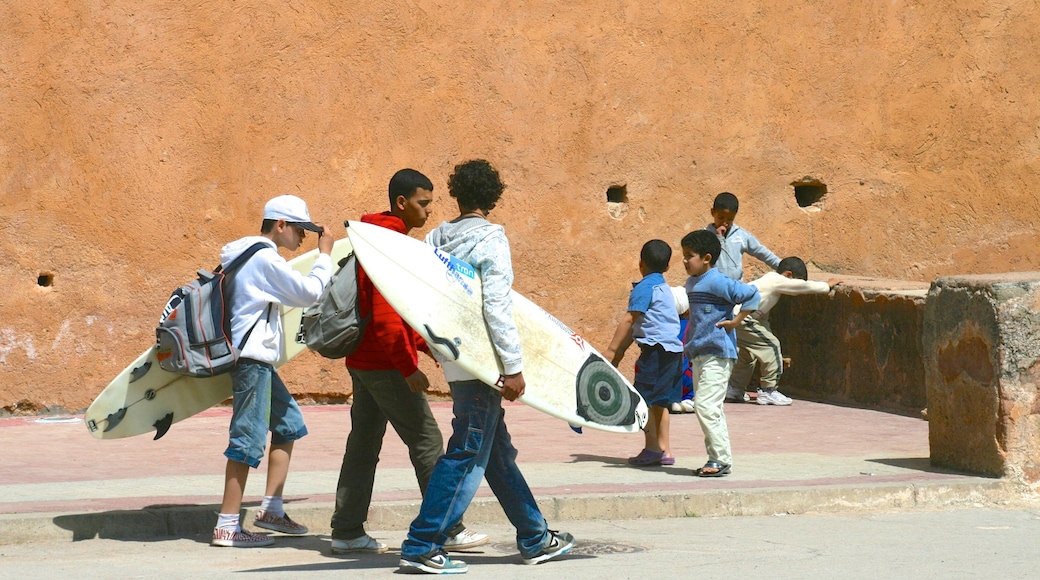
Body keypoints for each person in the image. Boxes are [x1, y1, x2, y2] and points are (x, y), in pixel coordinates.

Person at [399, 159, 574, 574]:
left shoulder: (437, 237)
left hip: (458, 359)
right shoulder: (491, 238)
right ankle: (422, 543)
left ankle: (534, 536)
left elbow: (426, 299)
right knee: (465, 452)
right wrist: (512, 367)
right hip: (486, 365)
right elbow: (496, 306)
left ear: (457, 193)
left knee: (495, 453)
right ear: (493, 197)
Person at [330, 169, 487, 554]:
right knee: (428, 442)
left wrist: (424, 344)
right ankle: (447, 527)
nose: (429, 211)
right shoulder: (390, 245)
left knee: (363, 445)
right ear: (402, 203)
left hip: (363, 361)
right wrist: (408, 368)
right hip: (384, 365)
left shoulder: (372, 237)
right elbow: (385, 321)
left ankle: (347, 531)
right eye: (423, 203)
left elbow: (392, 314)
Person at [212, 194, 334, 547]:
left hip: (257, 361)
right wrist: (325, 254)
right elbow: (309, 292)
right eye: (300, 230)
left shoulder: (247, 255)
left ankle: (271, 511)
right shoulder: (265, 259)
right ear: (280, 225)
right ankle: (227, 526)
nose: (303, 239)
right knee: (246, 441)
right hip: (252, 362)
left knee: (288, 425)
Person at [680, 229, 760, 478]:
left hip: (719, 353)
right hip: (699, 353)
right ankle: (717, 458)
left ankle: (720, 460)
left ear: (706, 258)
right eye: (683, 255)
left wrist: (736, 322)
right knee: (709, 407)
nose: (684, 261)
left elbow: (752, 294)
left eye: (689, 256)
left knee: (705, 405)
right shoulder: (691, 283)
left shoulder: (717, 281)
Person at [604, 240, 684, 467]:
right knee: (662, 402)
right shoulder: (663, 288)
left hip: (655, 353)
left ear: (641, 263)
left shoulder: (644, 288)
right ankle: (665, 449)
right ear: (667, 267)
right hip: (673, 352)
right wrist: (620, 354)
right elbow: (637, 326)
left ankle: (652, 449)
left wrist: (611, 351)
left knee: (645, 401)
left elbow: (630, 320)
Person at [727, 257, 841, 406]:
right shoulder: (774, 279)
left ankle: (734, 389)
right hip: (743, 318)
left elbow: (762, 318)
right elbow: (803, 287)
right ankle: (768, 390)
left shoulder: (767, 287)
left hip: (737, 316)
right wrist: (826, 286)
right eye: (795, 281)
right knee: (772, 346)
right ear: (787, 275)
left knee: (748, 355)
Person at [704, 191, 780, 403]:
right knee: (715, 345)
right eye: (720, 218)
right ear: (712, 213)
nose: (725, 223)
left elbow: (762, 253)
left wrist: (783, 267)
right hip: (715, 297)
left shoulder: (741, 235)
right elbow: (704, 259)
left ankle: (734, 388)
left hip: (736, 297)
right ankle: (716, 388)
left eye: (729, 219)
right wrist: (717, 239)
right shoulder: (706, 236)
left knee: (739, 347)